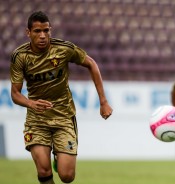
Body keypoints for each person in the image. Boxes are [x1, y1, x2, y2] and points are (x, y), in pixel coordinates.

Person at [10, 11, 113, 184]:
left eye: (46, 30)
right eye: (37, 31)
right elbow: (15, 94)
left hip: (64, 117)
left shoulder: (63, 49)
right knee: (43, 169)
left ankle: (59, 157)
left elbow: (91, 64)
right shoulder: (20, 57)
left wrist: (103, 101)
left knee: (67, 176)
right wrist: (31, 103)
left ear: (50, 30)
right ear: (28, 33)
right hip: (37, 119)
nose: (42, 36)